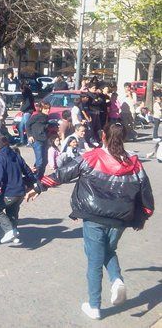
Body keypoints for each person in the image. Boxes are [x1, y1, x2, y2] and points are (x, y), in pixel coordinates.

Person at [28, 123, 155, 320]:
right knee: (108, 251)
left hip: (94, 216)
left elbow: (64, 173)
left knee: (95, 260)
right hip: (120, 219)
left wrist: (39, 186)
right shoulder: (134, 163)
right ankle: (117, 280)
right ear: (124, 138)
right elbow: (145, 193)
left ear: (103, 136)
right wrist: (144, 216)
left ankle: (94, 305)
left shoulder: (91, 156)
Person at [0, 135, 40, 245]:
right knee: (12, 211)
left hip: (10, 192)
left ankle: (9, 230)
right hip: (21, 191)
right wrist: (31, 184)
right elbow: (27, 171)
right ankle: (14, 233)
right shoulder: (15, 154)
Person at [26, 102, 50, 177]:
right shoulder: (37, 116)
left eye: (48, 109)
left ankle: (40, 176)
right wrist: (29, 135)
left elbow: (44, 127)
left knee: (45, 161)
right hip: (36, 140)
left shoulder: (46, 117)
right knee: (40, 162)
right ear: (41, 109)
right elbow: (27, 124)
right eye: (45, 109)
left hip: (44, 140)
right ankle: (35, 177)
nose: (47, 110)